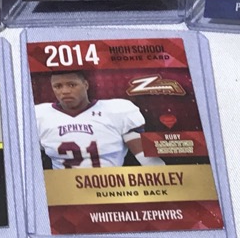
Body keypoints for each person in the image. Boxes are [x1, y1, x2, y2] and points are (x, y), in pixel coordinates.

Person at [34, 70, 166, 169]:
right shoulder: (39, 115)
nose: (65, 91)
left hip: (110, 188)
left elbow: (145, 158)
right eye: (58, 86)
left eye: (72, 85)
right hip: (63, 191)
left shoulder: (117, 110)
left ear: (86, 85)